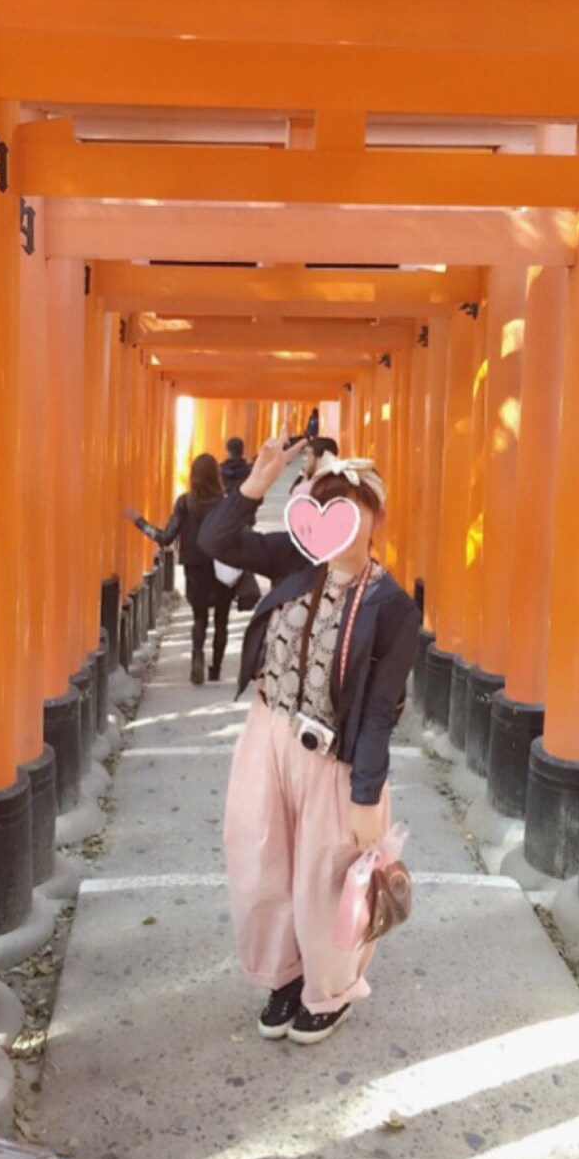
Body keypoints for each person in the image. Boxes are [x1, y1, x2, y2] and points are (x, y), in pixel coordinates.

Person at [199, 431, 420, 1046]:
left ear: (375, 517)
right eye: (324, 510)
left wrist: (367, 794)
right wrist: (255, 485)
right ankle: (284, 974)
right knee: (261, 864)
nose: (337, 526)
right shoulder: (295, 560)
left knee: (326, 882)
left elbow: (378, 713)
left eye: (350, 510)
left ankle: (330, 989)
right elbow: (214, 541)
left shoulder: (393, 607)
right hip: (267, 734)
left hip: (333, 760)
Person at [124, 454, 236, 686]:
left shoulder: (185, 503)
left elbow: (165, 537)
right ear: (216, 476)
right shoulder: (225, 504)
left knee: (199, 617)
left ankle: (197, 657)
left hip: (194, 567)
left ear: (193, 477)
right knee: (222, 620)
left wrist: (138, 520)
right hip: (222, 566)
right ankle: (215, 669)